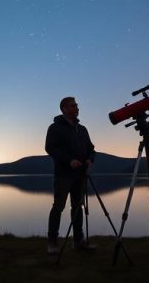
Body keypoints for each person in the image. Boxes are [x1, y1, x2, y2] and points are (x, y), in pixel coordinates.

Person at [45, 96, 96, 254]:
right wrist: (69, 161)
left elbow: (91, 148)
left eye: (77, 105)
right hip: (64, 174)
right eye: (73, 106)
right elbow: (50, 148)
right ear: (64, 109)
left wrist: (89, 160)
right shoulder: (55, 128)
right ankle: (53, 243)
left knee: (77, 207)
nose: (77, 108)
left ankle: (78, 241)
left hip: (80, 174)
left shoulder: (82, 129)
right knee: (58, 207)